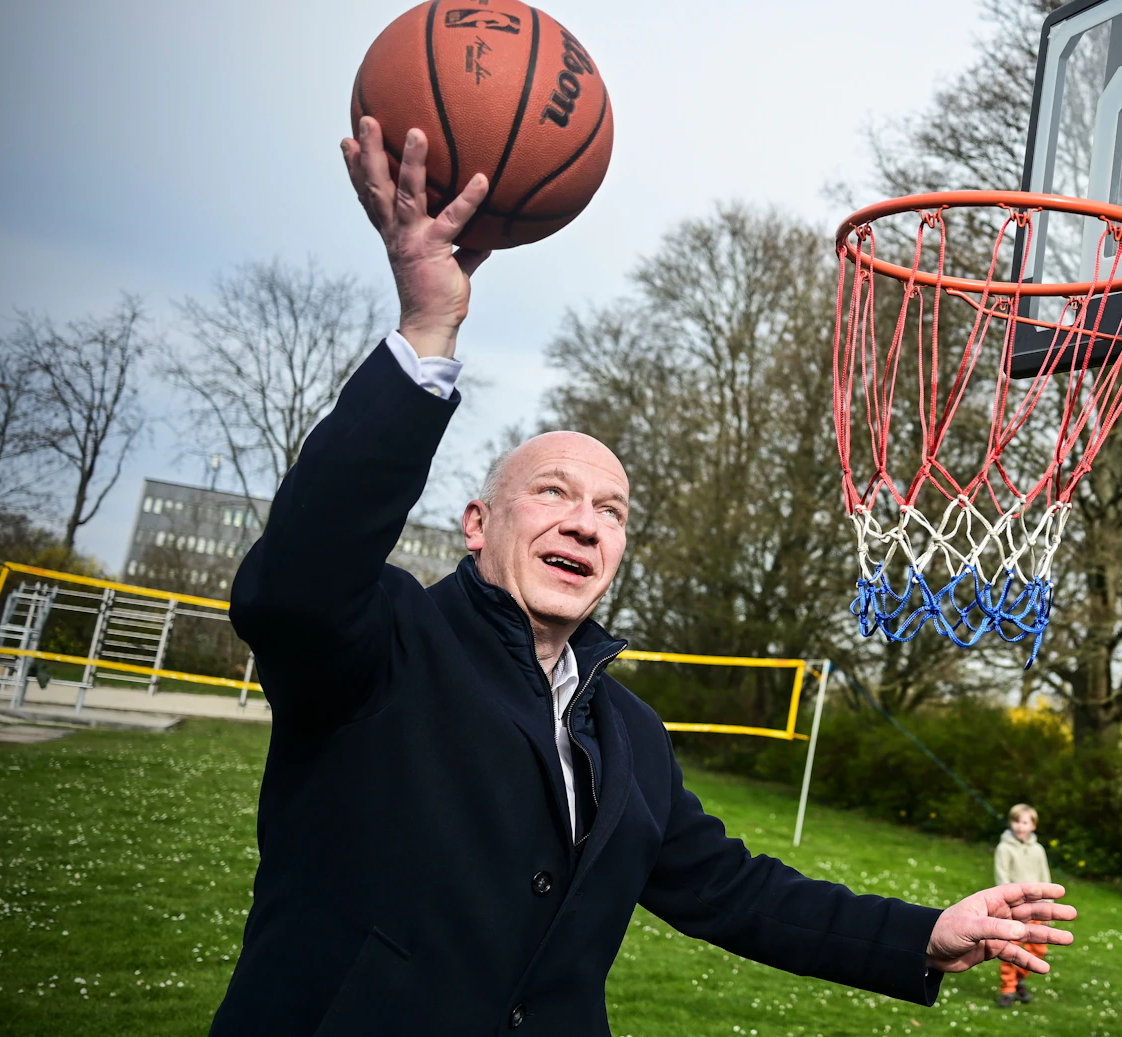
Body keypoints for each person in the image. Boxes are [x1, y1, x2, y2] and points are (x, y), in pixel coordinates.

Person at [208, 118, 1075, 1036]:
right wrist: (428, 328)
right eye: (553, 492)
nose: (586, 519)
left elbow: (732, 890)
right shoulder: (382, 643)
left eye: (611, 509)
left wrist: (923, 934)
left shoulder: (630, 735)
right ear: (477, 525)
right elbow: (294, 578)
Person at [991, 803, 1053, 1006]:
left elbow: (1045, 878)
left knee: (1038, 950)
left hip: (1037, 908)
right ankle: (1008, 989)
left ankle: (1019, 979)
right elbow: (1002, 879)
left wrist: (1048, 908)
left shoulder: (1038, 850)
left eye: (1024, 822)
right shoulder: (1004, 848)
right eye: (1016, 821)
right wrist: (1011, 904)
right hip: (1015, 910)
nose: (1019, 826)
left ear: (1033, 826)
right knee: (1010, 949)